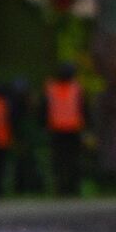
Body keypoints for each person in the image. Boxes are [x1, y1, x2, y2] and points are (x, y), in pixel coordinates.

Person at [43, 63, 86, 197]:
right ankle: (70, 188)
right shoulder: (76, 88)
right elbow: (84, 109)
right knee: (72, 161)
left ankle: (62, 188)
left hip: (58, 130)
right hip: (71, 130)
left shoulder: (51, 89)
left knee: (60, 161)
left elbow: (44, 109)